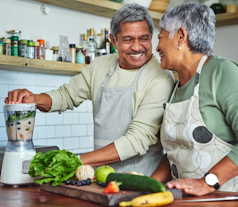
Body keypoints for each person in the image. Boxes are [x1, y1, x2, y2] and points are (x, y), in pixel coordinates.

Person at [5, 3, 174, 176]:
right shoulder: (100, 66)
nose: (137, 47)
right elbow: (66, 96)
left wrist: (73, 161)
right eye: (128, 39)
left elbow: (137, 140)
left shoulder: (160, 77)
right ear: (113, 40)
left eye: (144, 38)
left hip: (141, 181)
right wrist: (34, 99)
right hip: (99, 179)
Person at [151, 2, 238, 196]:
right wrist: (145, 185)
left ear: (180, 36)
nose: (157, 47)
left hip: (236, 198)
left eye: (160, 38)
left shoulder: (222, 71)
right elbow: (177, 156)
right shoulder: (174, 88)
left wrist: (207, 183)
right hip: (191, 200)